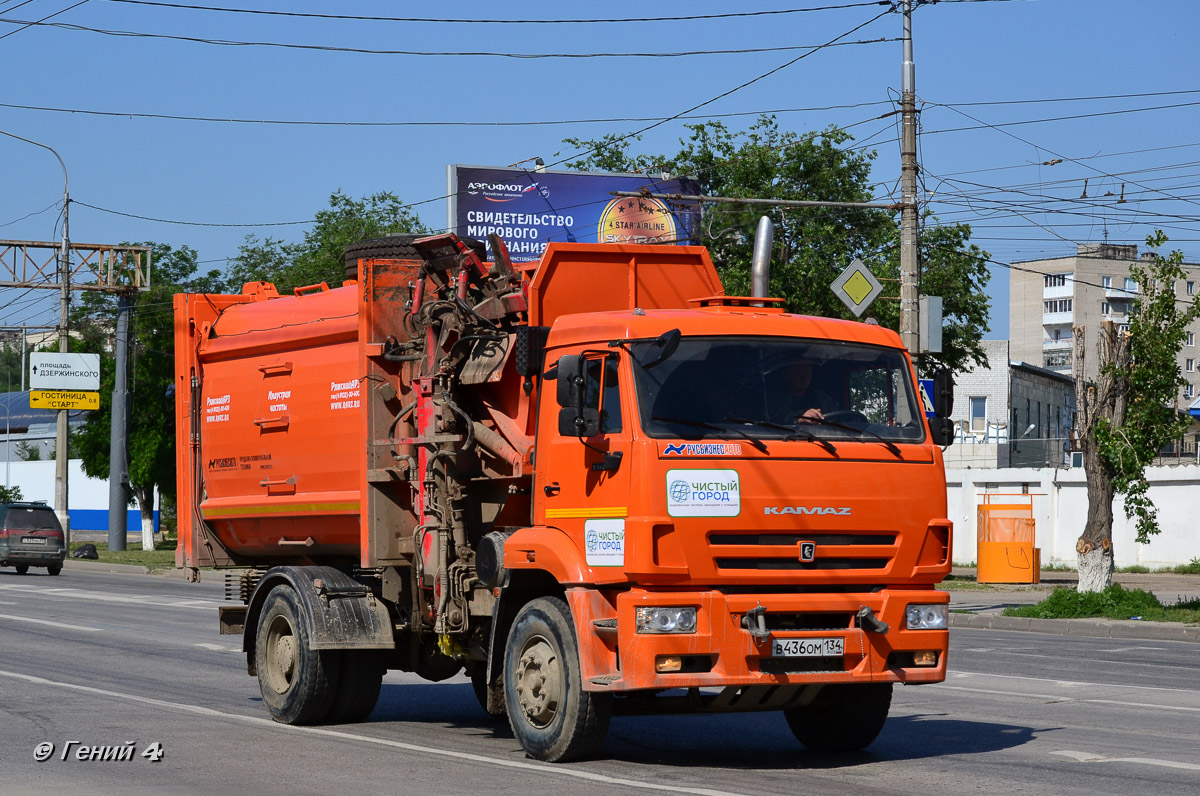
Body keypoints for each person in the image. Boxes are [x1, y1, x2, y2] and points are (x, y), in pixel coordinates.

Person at [770, 360, 836, 423]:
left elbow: (838, 415)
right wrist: (800, 419)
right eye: (798, 370)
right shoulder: (775, 399)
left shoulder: (822, 398)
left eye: (807, 369)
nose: (804, 375)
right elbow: (780, 415)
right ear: (785, 374)